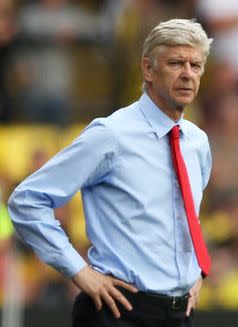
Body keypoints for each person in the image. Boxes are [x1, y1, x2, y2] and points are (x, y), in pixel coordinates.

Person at [8, 18, 213, 327]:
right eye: (175, 63)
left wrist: (194, 271)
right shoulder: (111, 134)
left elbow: (186, 215)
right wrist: (79, 271)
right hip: (117, 311)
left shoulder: (197, 141)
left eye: (195, 65)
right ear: (148, 69)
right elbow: (27, 200)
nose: (187, 74)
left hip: (179, 313)